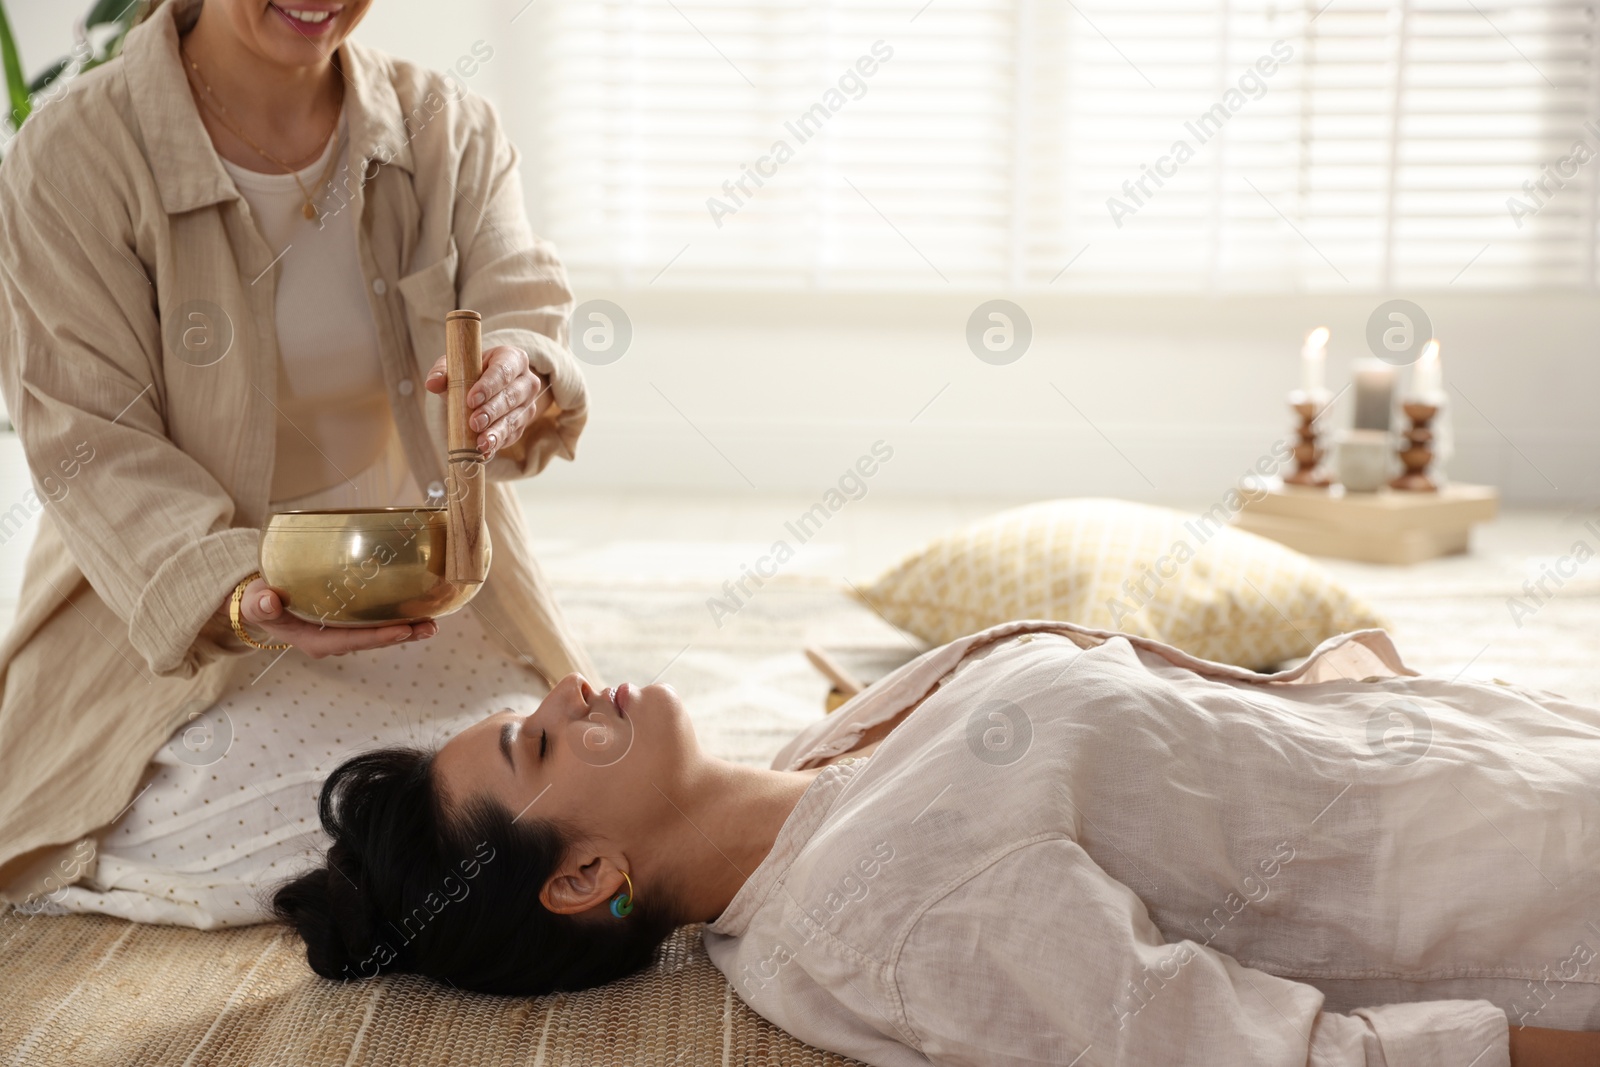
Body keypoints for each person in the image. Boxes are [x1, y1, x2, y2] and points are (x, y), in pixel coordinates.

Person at [273, 619, 1600, 1066]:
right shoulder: (885, 918)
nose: (568, 692)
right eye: (537, 746)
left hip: (1518, 748)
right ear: (583, 876)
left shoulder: (815, 765)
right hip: (1551, 881)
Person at [0, 0, 597, 918]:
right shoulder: (70, 156)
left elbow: (518, 297)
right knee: (313, 797)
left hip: (423, 598)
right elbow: (91, 444)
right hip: (187, 623)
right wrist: (246, 597)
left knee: (537, 774)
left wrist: (521, 372)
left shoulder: (451, 125)